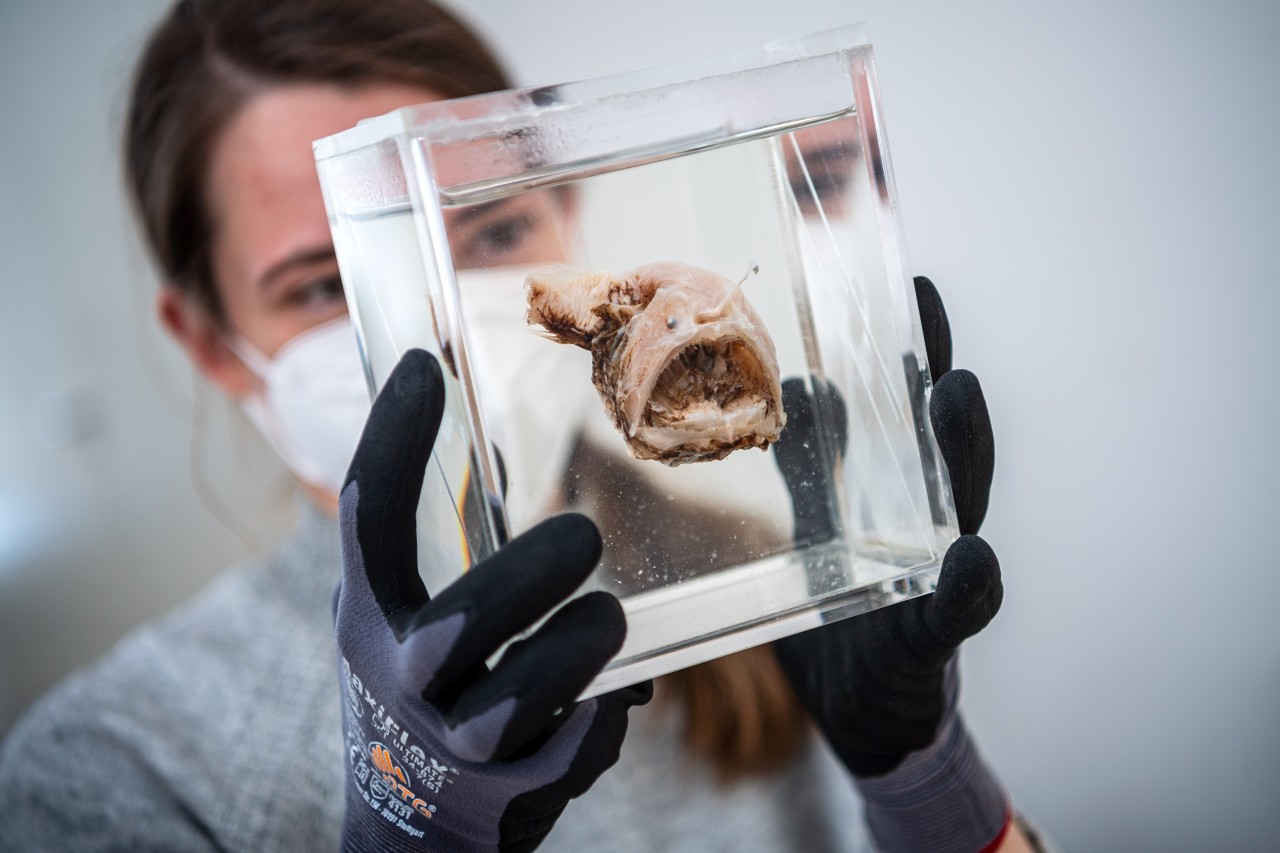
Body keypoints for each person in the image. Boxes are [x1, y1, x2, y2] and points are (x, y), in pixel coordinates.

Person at [0, 1, 1048, 850]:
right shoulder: (110, 764)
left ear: (564, 217)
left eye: (497, 226)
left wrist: (923, 783)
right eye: (330, 284)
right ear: (214, 345)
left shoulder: (764, 581)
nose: (448, 319)